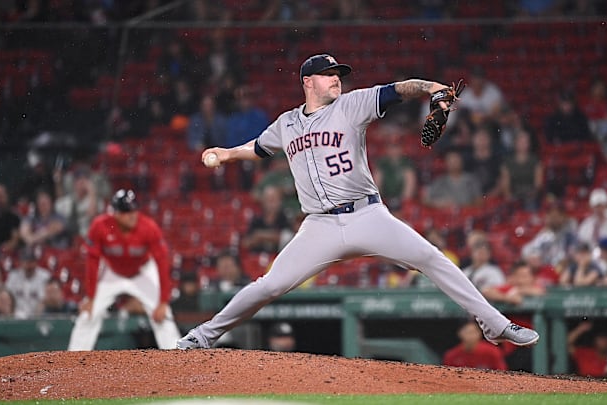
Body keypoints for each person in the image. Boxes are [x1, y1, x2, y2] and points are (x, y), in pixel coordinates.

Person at [177, 54, 539, 350]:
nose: (336, 79)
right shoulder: (286, 124)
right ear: (307, 82)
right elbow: (258, 148)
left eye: (338, 74)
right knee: (268, 286)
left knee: (431, 258)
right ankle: (203, 336)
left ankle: (495, 324)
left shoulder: (353, 104)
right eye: (328, 74)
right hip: (318, 226)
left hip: (367, 215)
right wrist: (227, 154)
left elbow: (400, 89)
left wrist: (432, 88)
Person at [67, 189, 181, 350]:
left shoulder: (148, 227)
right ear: (116, 213)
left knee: (164, 315)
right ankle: (72, 360)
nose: (132, 215)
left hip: (142, 272)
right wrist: (91, 297)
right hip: (112, 273)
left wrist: (162, 301)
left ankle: (177, 358)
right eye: (127, 211)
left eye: (134, 209)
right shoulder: (100, 226)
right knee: (88, 313)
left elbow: (162, 262)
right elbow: (92, 261)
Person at [500, 129, 543, 211]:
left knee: (530, 205)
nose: (523, 144)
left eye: (525, 142)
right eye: (521, 141)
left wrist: (531, 194)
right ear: (515, 143)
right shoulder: (508, 162)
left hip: (531, 195)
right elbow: (505, 184)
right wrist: (509, 196)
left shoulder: (535, 160)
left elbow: (538, 183)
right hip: (514, 195)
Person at [242, 185, 292, 254]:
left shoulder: (285, 218)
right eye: (268, 200)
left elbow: (288, 238)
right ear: (263, 201)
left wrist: (261, 236)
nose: (271, 203)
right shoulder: (256, 220)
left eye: (273, 199)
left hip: (279, 257)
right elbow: (246, 243)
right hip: (257, 258)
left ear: (280, 201)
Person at [442, 318, 507, 370]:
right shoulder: (451, 355)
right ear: (460, 333)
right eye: (467, 332)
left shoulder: (492, 352)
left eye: (474, 332)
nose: (471, 336)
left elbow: (502, 373)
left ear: (479, 333)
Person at [5, 247, 51, 319]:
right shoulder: (13, 276)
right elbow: (8, 297)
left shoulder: (45, 276)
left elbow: (46, 299)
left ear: (36, 262)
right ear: (21, 262)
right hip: (15, 316)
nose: (29, 265)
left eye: (31, 262)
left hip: (39, 316)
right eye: (26, 262)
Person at [0, 183, 21, 254]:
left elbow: (15, 240)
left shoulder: (13, 217)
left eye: (1, 196)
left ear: (6, 197)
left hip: (8, 255)